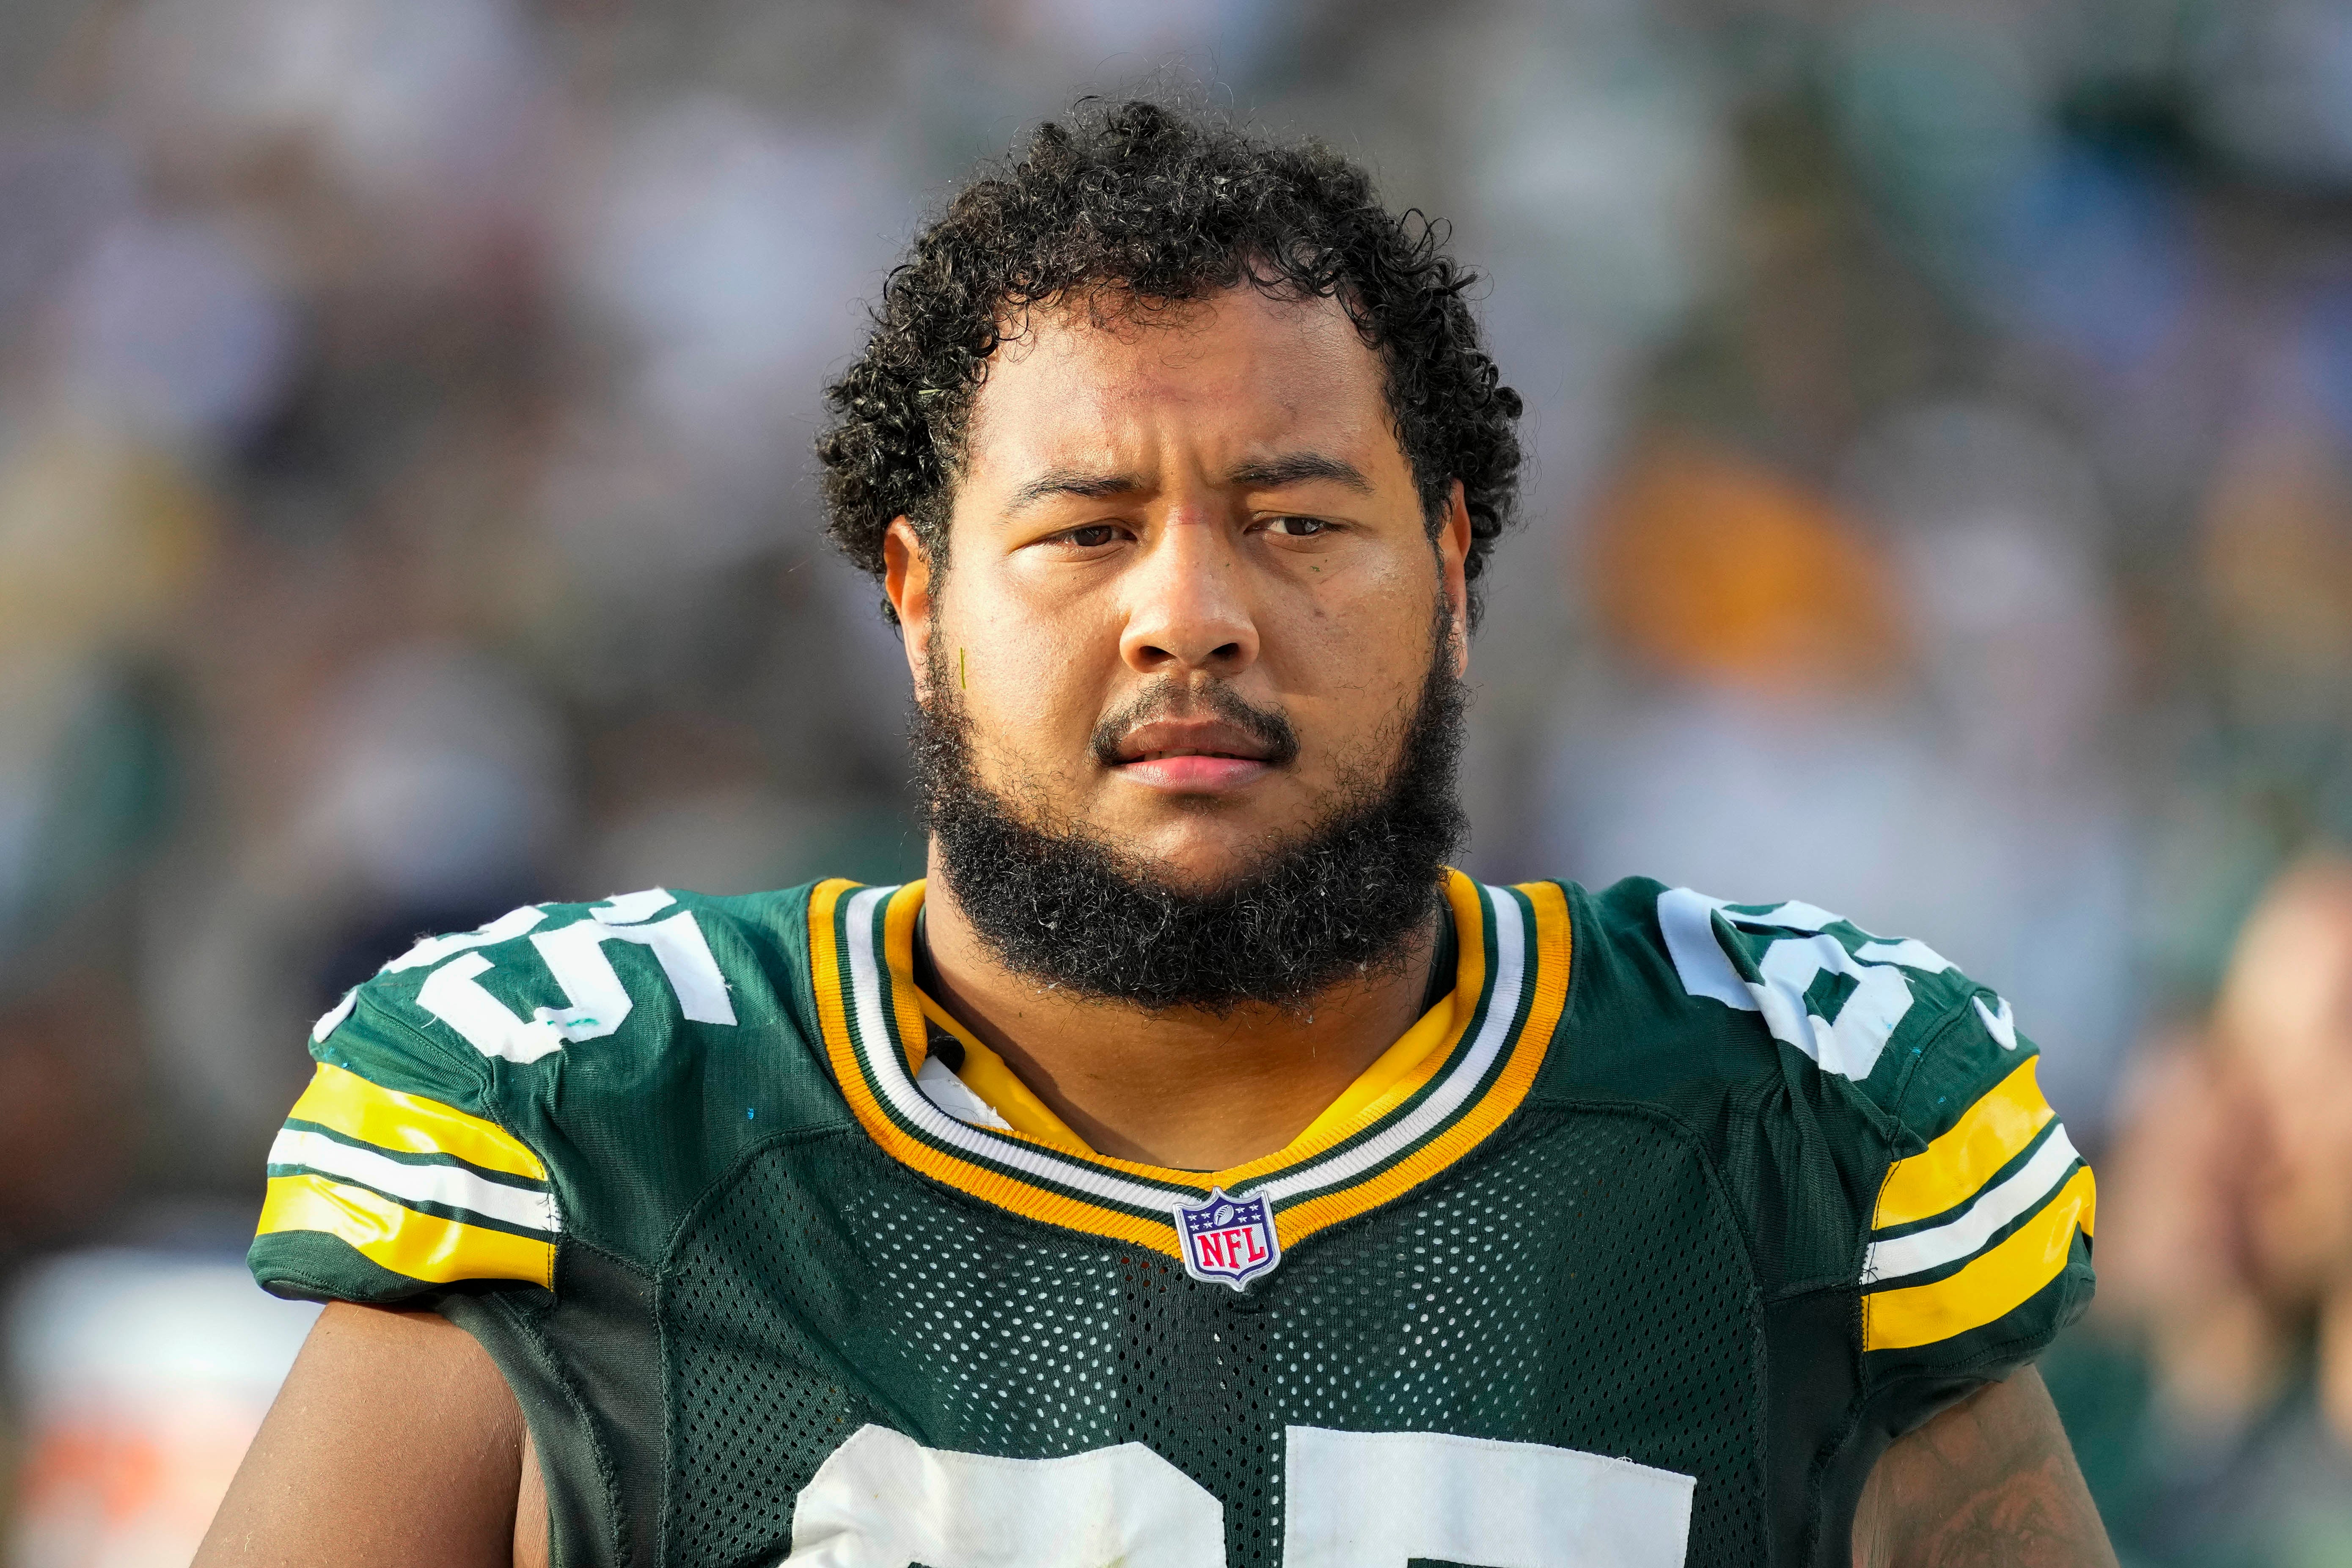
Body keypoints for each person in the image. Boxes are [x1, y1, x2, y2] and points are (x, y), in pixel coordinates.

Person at [195, 102, 2111, 1568]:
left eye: (1294, 520)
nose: (1188, 610)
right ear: (917, 595)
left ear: (1450, 571)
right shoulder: (597, 1117)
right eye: (1086, 526)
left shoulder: (1789, 1119)